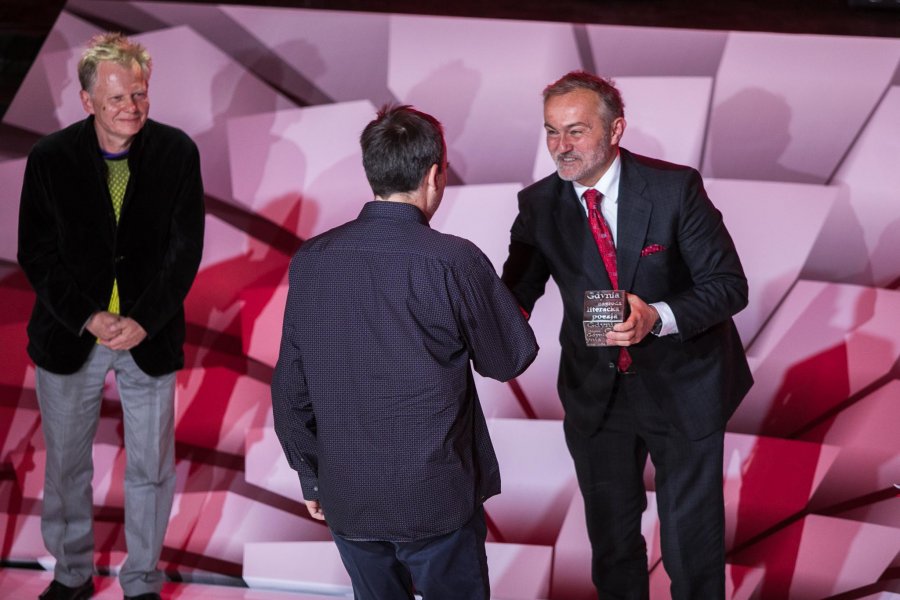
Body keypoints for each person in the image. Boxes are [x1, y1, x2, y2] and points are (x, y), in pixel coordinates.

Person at [501, 71, 753, 599]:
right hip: (597, 396)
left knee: (691, 547)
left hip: (684, 386)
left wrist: (655, 316)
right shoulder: (538, 205)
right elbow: (515, 295)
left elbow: (729, 286)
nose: (560, 147)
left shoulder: (673, 188)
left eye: (575, 131)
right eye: (551, 132)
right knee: (613, 545)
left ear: (616, 129)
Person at [271, 104, 538, 600]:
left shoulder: (311, 261)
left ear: (371, 171)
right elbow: (508, 360)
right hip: (434, 497)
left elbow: (289, 391)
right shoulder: (453, 260)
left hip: (347, 497)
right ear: (435, 174)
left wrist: (312, 478)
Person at [17, 32, 204, 600]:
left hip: (149, 337)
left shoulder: (177, 153)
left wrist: (143, 319)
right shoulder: (50, 157)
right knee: (67, 471)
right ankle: (72, 575)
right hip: (72, 338)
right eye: (118, 98)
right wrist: (91, 318)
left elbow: (184, 250)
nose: (131, 109)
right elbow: (37, 253)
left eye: (140, 95)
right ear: (87, 100)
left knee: (152, 469)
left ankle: (142, 580)